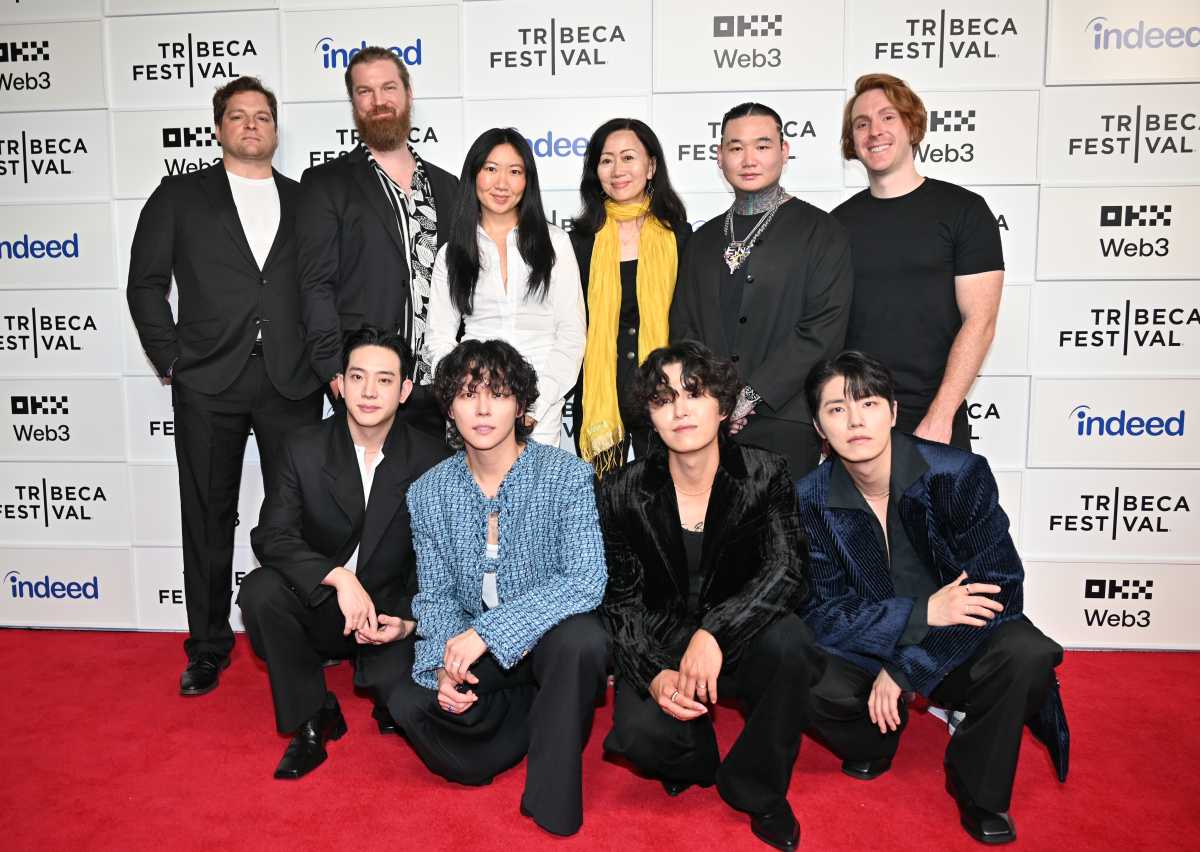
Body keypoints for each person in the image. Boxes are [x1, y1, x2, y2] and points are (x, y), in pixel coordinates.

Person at [795, 350, 1068, 845]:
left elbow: (1001, 586)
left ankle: (979, 792)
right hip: (872, 645)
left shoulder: (955, 475)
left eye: (868, 403)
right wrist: (921, 613)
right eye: (837, 408)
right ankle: (874, 739)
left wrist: (907, 669)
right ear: (819, 426)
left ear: (894, 412)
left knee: (1025, 652)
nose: (855, 420)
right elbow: (820, 612)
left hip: (956, 644)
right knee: (796, 662)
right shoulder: (808, 498)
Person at [127, 76, 323, 696]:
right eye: (238, 116)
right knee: (208, 514)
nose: (251, 125)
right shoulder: (180, 195)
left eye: (262, 115)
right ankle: (208, 646)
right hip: (209, 379)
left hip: (291, 380)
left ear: (275, 128)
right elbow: (145, 285)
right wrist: (171, 360)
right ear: (218, 129)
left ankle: (302, 636)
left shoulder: (305, 200)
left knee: (298, 515)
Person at [598, 341, 818, 852]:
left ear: (722, 407)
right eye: (664, 399)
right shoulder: (621, 490)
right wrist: (653, 675)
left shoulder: (766, 473)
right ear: (650, 417)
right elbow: (620, 599)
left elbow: (788, 571)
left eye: (694, 394)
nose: (680, 410)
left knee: (793, 643)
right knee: (640, 738)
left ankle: (758, 788)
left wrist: (715, 633)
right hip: (663, 638)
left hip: (740, 635)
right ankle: (694, 756)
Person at [388, 339, 608, 837]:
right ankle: (538, 720)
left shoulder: (566, 475)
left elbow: (585, 578)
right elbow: (437, 595)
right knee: (406, 702)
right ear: (449, 407)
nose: (483, 409)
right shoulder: (429, 492)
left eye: (499, 393)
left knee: (582, 640)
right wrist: (442, 667)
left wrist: (491, 632)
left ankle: (552, 797)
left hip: (548, 645)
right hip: (481, 654)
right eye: (468, 394)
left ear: (520, 404)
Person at [237, 327, 448, 779]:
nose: (369, 391)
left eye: (384, 380)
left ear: (405, 391)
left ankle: (386, 686)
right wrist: (338, 577)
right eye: (357, 377)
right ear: (340, 384)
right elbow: (271, 535)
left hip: (391, 616)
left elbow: (440, 560)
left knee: (412, 711)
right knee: (260, 592)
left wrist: (408, 619)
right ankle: (313, 716)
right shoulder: (304, 446)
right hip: (324, 606)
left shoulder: (432, 458)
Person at [669, 102, 853, 479]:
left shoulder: (821, 231)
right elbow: (685, 328)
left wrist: (750, 396)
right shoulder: (702, 240)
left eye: (763, 146)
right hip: (710, 428)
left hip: (787, 421)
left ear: (784, 152)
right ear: (720, 156)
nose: (749, 159)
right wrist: (716, 401)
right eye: (736, 147)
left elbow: (823, 330)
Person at [833, 74, 1004, 450]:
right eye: (862, 124)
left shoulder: (964, 211)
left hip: (934, 421)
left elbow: (980, 322)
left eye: (888, 117)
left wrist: (941, 416)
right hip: (857, 422)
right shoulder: (836, 225)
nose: (874, 131)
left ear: (911, 126)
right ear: (852, 141)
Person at [297, 45, 459, 435]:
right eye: (364, 91)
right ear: (353, 103)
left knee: (436, 477)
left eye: (388, 88)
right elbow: (315, 284)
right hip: (366, 384)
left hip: (436, 385)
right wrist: (333, 368)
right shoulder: (325, 183)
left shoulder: (447, 186)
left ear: (408, 94)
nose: (378, 101)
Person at [424, 129, 585, 448]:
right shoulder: (452, 253)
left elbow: (571, 332)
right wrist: (465, 395)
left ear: (527, 181)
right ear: (474, 175)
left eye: (514, 171)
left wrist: (536, 404)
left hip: (540, 407)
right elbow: (438, 337)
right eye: (491, 169)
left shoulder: (555, 244)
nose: (502, 183)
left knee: (535, 481)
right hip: (476, 407)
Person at [569, 118, 691, 471]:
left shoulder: (680, 238)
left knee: (668, 494)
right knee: (604, 497)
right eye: (606, 160)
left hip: (667, 393)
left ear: (651, 167)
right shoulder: (578, 243)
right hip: (601, 396)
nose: (617, 170)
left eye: (628, 158)